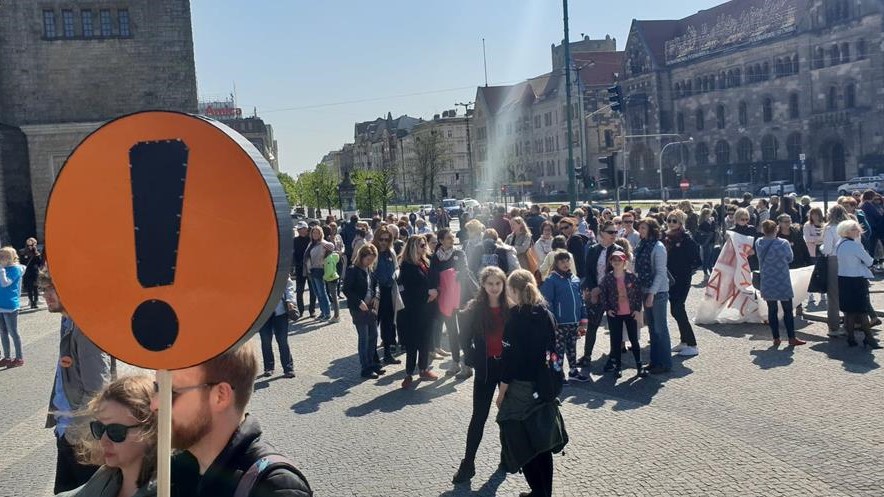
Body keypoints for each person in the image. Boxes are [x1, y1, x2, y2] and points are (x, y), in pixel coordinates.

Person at [158, 344, 313, 497]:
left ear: (220, 396)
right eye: (157, 388)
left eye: (172, 392)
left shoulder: (276, 487)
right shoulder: (170, 470)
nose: (154, 404)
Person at [495, 270, 568, 497]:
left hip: (520, 387)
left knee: (521, 442)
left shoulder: (515, 318)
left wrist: (501, 392)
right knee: (541, 441)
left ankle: (537, 491)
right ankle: (544, 492)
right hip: (544, 385)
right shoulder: (546, 314)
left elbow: (509, 362)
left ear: (515, 290)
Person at [40, 269, 112, 494]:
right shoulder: (69, 323)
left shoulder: (85, 332)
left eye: (53, 289)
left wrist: (75, 431)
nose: (46, 295)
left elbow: (98, 390)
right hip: (68, 433)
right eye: (44, 289)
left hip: (82, 440)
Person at [451, 266, 509, 484]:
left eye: (498, 283)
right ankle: (468, 463)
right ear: (483, 285)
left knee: (507, 417)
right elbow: (463, 335)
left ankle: (507, 457)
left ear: (503, 285)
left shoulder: (510, 308)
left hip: (506, 370)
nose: (494, 287)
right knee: (479, 417)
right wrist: (471, 356)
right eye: (490, 283)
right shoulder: (474, 308)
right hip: (485, 370)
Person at [58, 375, 158, 497]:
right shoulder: (108, 474)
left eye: (115, 431)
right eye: (99, 428)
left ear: (151, 430)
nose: (103, 440)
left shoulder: (168, 490)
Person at [429, 228, 475, 377]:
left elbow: (465, 271)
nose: (452, 240)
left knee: (464, 332)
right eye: (448, 238)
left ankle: (467, 365)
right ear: (441, 241)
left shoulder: (459, 253)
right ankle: (455, 362)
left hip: (461, 297)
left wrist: (451, 275)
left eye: (452, 237)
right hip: (445, 299)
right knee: (451, 331)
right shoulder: (435, 257)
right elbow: (433, 276)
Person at [578, 220, 622, 368]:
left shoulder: (618, 250)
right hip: (595, 293)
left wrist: (600, 289)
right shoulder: (593, 249)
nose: (614, 235)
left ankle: (613, 358)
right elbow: (588, 272)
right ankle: (587, 355)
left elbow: (617, 273)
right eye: (610, 232)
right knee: (592, 325)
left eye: (615, 232)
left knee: (614, 326)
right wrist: (592, 289)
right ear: (601, 233)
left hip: (612, 294)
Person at [398, 235, 439, 389]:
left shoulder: (425, 261)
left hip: (427, 310)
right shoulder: (407, 266)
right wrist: (427, 297)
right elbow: (406, 292)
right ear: (413, 247)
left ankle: (423, 369)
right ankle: (409, 373)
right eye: (421, 245)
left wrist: (434, 292)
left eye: (424, 245)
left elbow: (432, 280)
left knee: (425, 341)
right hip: (413, 312)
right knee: (412, 344)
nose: (424, 248)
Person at [540, 251, 588, 382]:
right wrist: (552, 321)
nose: (565, 264)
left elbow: (581, 300)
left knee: (572, 347)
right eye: (562, 262)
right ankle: (557, 373)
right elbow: (547, 302)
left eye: (567, 261)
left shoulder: (575, 279)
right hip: (559, 323)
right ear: (556, 263)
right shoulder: (551, 280)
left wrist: (583, 318)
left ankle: (573, 371)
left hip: (573, 321)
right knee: (558, 350)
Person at [756, 220, 806, 346]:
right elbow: (790, 258)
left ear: (763, 230)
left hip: (767, 280)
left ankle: (776, 338)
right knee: (787, 310)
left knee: (772, 310)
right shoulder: (783, 243)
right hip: (782, 279)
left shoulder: (759, 243)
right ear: (776, 229)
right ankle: (791, 338)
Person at [598, 251, 646, 377]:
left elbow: (638, 294)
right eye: (614, 260)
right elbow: (603, 295)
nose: (616, 262)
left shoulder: (631, 277)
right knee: (616, 341)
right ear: (611, 262)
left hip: (630, 312)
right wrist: (607, 309)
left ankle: (639, 366)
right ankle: (617, 366)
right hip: (615, 314)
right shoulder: (608, 278)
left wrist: (636, 309)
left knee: (634, 340)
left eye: (619, 260)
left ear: (624, 262)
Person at [835, 220, 881, 349]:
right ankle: (869, 338)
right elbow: (869, 261)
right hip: (856, 279)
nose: (858, 231)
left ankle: (851, 338)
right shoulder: (854, 245)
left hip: (843, 279)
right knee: (862, 310)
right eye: (855, 229)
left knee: (849, 312)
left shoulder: (839, 243)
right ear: (848, 231)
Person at [343, 244, 387, 379]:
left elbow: (376, 285)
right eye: (368, 259)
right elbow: (346, 289)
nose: (370, 262)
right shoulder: (353, 270)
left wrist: (377, 296)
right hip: (359, 309)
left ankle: (373, 362)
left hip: (371, 307)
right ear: (361, 257)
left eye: (372, 260)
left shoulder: (369, 270)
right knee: (364, 337)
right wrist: (358, 302)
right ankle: (365, 367)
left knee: (373, 335)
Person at [635, 218, 672, 374]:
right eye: (640, 228)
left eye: (643, 228)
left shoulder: (658, 247)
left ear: (651, 229)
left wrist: (652, 293)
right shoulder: (642, 245)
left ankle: (665, 362)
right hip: (644, 290)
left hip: (658, 292)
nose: (640, 231)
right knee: (652, 329)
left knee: (660, 328)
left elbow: (661, 273)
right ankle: (654, 361)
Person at [665, 210, 702, 357]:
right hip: (670, 279)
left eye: (675, 221)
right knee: (675, 310)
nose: (671, 223)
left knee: (678, 309)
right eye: (669, 220)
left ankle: (692, 344)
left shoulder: (686, 238)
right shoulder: (666, 237)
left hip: (682, 279)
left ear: (681, 223)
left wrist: (685, 270)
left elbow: (696, 260)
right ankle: (684, 341)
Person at [372, 228, 402, 364]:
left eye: (387, 239)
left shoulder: (391, 252)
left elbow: (396, 267)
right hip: (376, 292)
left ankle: (388, 353)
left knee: (388, 324)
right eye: (381, 239)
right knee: (374, 323)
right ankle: (372, 355)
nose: (383, 242)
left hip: (389, 291)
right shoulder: (372, 251)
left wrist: (396, 273)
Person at [258, 276, 297, 379]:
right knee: (265, 340)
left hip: (280, 310)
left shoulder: (279, 266)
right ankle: (269, 367)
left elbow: (288, 285)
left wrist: (290, 301)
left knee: (282, 340)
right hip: (262, 312)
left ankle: (288, 368)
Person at [821, 205, 850, 336]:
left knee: (833, 295)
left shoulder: (830, 228)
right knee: (847, 293)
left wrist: (821, 248)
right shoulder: (851, 227)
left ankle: (834, 327)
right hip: (850, 261)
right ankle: (850, 324)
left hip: (834, 260)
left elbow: (827, 249)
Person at [0, 246, 25, 367]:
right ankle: (7, 357)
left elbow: (5, 283)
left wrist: (1, 270)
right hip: (1, 304)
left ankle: (19, 357)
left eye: (3, 256)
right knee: (3, 332)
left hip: (10, 305)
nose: (1, 258)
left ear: (9, 257)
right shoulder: (4, 269)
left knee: (13, 332)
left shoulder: (15, 269)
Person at [305, 226, 335, 321]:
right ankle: (323, 312)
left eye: (317, 233)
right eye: (314, 233)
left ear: (321, 234)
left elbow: (332, 247)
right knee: (317, 293)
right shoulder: (311, 244)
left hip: (319, 270)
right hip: (311, 270)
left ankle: (327, 313)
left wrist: (331, 243)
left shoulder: (323, 244)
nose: (315, 235)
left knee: (322, 293)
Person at [291, 222, 315, 318]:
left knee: (312, 290)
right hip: (299, 268)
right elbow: (292, 255)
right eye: (299, 229)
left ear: (307, 229)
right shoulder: (294, 240)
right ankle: (300, 311)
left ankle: (312, 310)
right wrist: (293, 266)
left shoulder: (311, 240)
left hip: (310, 268)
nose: (301, 231)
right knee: (299, 290)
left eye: (303, 228)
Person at [321, 230, 341, 323]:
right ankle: (336, 315)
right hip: (334, 277)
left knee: (334, 298)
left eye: (324, 248)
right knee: (334, 297)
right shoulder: (334, 256)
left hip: (331, 278)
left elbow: (329, 271)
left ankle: (336, 316)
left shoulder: (328, 259)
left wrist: (325, 277)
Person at [18, 237, 43, 309]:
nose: (30, 247)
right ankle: (31, 301)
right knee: (29, 288)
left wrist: (37, 256)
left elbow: (39, 263)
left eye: (31, 245)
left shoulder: (36, 253)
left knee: (35, 287)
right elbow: (21, 263)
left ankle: (35, 302)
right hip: (27, 272)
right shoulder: (23, 253)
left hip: (34, 272)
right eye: (28, 245)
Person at [695, 208, 718, 280]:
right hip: (706, 242)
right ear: (705, 215)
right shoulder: (702, 223)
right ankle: (706, 273)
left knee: (711, 258)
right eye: (708, 214)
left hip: (711, 241)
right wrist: (710, 223)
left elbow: (714, 230)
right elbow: (709, 230)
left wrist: (712, 222)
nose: (710, 215)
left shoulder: (710, 221)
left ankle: (711, 272)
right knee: (706, 258)